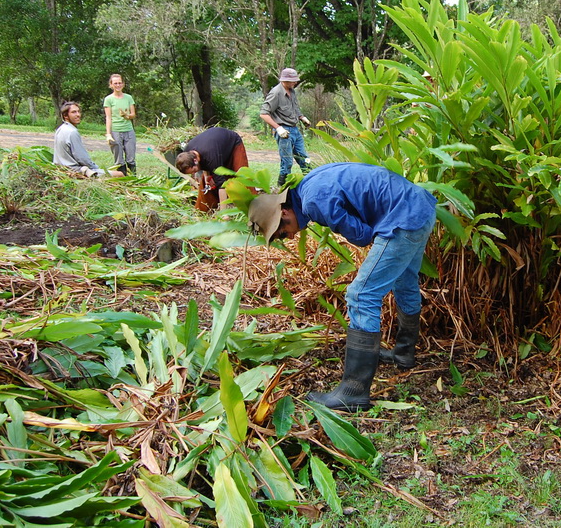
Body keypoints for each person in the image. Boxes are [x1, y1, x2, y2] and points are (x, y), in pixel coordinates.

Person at [248, 162, 437, 411]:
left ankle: (353, 392)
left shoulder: (313, 202)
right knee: (404, 281)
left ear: (284, 212)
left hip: (402, 220)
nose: (290, 237)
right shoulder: (310, 184)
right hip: (419, 209)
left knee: (361, 295)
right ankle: (403, 353)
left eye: (282, 233)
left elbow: (361, 235)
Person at [174, 127, 250, 212]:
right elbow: (204, 164)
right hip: (215, 149)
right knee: (208, 183)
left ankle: (250, 207)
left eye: (194, 171)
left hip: (232, 143)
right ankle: (208, 208)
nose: (195, 173)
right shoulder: (187, 153)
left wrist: (224, 214)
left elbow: (222, 185)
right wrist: (207, 175)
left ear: (195, 160)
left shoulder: (211, 158)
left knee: (242, 176)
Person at [259, 67, 312, 187]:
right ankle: (282, 189)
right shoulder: (276, 93)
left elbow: (295, 108)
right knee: (287, 162)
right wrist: (278, 128)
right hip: (284, 131)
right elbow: (263, 114)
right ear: (285, 80)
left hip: (295, 130)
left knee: (305, 159)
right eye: (293, 80)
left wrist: (302, 117)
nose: (295, 82)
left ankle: (311, 184)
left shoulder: (292, 91)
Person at [53, 102, 121, 178]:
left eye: (78, 111)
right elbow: (82, 158)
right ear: (65, 116)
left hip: (60, 169)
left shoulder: (60, 129)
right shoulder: (72, 132)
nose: (78, 115)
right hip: (74, 170)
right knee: (120, 174)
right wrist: (96, 168)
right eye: (73, 112)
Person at [103, 73, 137, 175]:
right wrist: (108, 134)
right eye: (115, 83)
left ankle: (133, 179)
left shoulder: (128, 98)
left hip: (129, 130)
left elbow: (133, 114)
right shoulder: (108, 99)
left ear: (123, 84)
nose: (118, 85)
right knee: (119, 159)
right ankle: (122, 180)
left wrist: (127, 116)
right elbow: (108, 117)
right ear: (111, 85)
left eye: (120, 83)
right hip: (116, 131)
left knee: (131, 157)